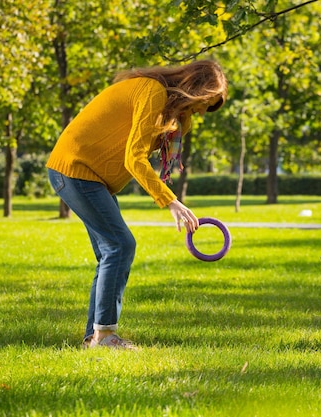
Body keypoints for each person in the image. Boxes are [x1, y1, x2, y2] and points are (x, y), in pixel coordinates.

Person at [46, 60, 228, 350]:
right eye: (206, 102)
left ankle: (94, 338)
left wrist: (185, 115)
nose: (204, 110)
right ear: (194, 88)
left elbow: (158, 138)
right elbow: (135, 158)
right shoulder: (152, 91)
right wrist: (170, 201)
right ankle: (105, 336)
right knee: (120, 245)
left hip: (89, 177)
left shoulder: (163, 104)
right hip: (75, 170)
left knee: (111, 252)